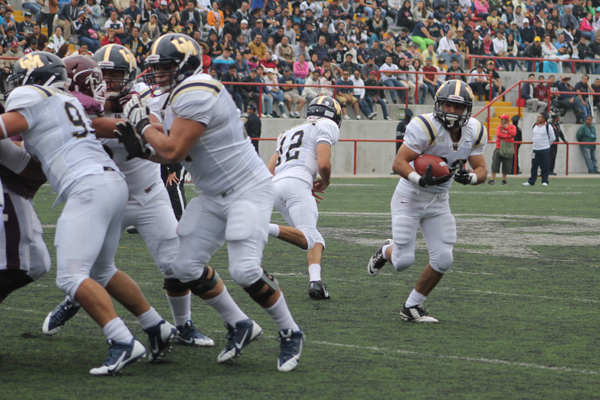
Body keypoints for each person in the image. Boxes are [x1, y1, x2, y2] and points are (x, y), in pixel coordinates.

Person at [117, 33, 304, 372]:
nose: (159, 74)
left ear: (186, 66)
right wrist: (141, 143)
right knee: (183, 266)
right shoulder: (177, 96)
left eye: (166, 67)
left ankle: (291, 331)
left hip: (247, 190)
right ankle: (239, 324)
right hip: (213, 194)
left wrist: (142, 124)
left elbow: (172, 150)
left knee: (245, 269)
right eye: (156, 68)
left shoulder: (199, 90)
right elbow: (169, 154)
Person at [2, 52, 177, 375]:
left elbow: (5, 128)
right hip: (112, 183)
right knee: (102, 269)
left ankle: (122, 341)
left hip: (88, 186)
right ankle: (156, 326)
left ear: (35, 79)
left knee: (71, 275)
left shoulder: (32, 96)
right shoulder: (65, 103)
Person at [44, 51, 215, 350]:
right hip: (108, 197)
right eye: (104, 74)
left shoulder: (141, 99)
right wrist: (109, 118)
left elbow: (154, 131)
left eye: (116, 75)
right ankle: (75, 299)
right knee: (91, 264)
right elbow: (89, 122)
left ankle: (184, 324)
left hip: (148, 194)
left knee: (174, 263)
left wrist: (118, 117)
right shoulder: (81, 102)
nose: (109, 81)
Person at [367, 79, 488, 323]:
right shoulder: (425, 126)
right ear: (438, 104)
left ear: (467, 110)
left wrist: (471, 178)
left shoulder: (475, 130)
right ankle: (386, 251)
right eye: (447, 105)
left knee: (444, 258)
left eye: (458, 107)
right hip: (410, 197)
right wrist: (419, 180)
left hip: (439, 200)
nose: (452, 112)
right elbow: (398, 162)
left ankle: (412, 306)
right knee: (403, 262)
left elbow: (483, 169)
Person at [266, 96, 341, 300]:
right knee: (307, 238)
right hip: (296, 182)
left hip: (277, 186)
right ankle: (259, 226)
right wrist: (325, 181)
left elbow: (268, 171)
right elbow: (324, 164)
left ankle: (315, 283)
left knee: (315, 238)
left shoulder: (288, 132)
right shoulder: (326, 124)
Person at [523, 112, 555, 186]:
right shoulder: (534, 126)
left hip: (545, 149)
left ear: (543, 119)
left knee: (545, 165)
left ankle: (544, 180)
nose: (537, 118)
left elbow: (552, 138)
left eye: (539, 117)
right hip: (535, 149)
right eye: (537, 117)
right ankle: (531, 181)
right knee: (534, 165)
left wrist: (547, 145)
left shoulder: (548, 126)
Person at [488, 114, 516, 186]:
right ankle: (492, 179)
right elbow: (499, 134)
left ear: (507, 120)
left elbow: (513, 134)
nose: (501, 120)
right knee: (495, 164)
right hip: (498, 147)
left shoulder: (512, 127)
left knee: (506, 165)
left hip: (507, 149)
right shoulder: (499, 127)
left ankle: (504, 180)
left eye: (502, 119)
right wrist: (508, 136)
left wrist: (507, 128)